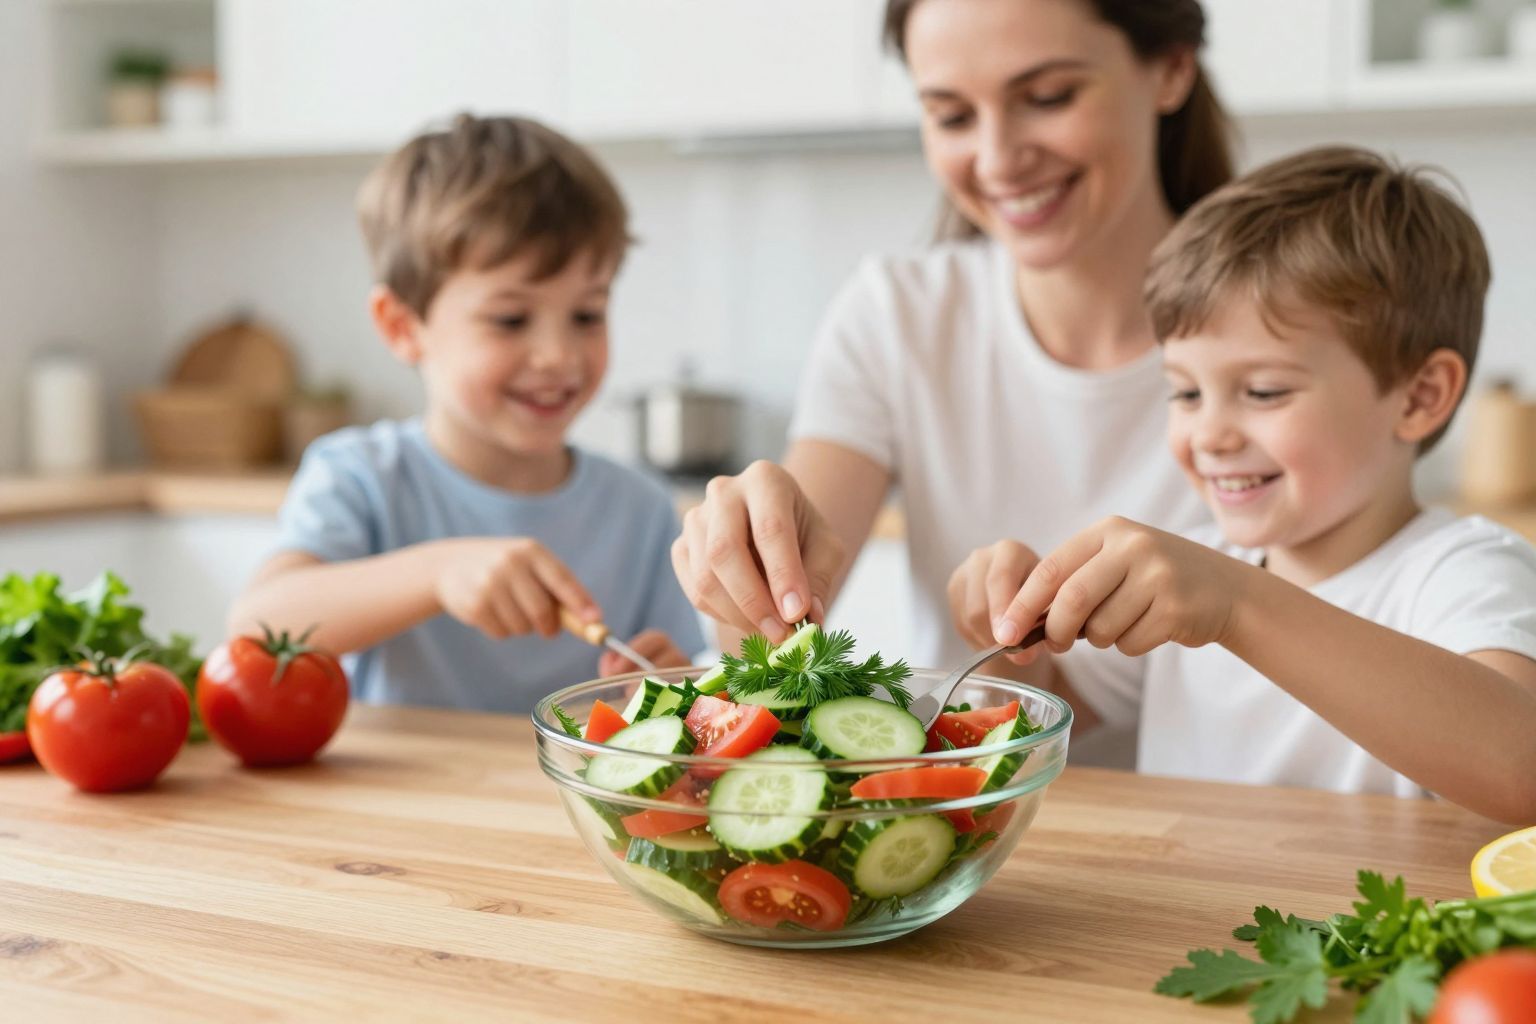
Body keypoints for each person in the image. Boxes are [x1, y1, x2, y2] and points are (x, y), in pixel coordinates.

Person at [672, 0, 1235, 763]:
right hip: (966, 823)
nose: (998, 159)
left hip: (1221, 820)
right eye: (951, 115)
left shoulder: (1276, 338)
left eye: (1048, 98)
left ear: (1169, 70)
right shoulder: (898, 314)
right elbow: (769, 622)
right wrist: (747, 557)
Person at [952, 145, 1536, 824]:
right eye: (1186, 393)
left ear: (1419, 397)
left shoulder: (1460, 571)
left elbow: (1521, 768)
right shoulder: (1200, 576)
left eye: (1262, 391)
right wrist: (1014, 638)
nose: (1210, 436)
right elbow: (1048, 713)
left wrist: (1238, 606)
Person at [228, 114, 704, 713]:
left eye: (587, 315)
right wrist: (437, 573)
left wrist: (663, 682)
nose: (559, 356)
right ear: (403, 327)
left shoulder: (641, 510)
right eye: (510, 320)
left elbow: (682, 681)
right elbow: (255, 629)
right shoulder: (362, 477)